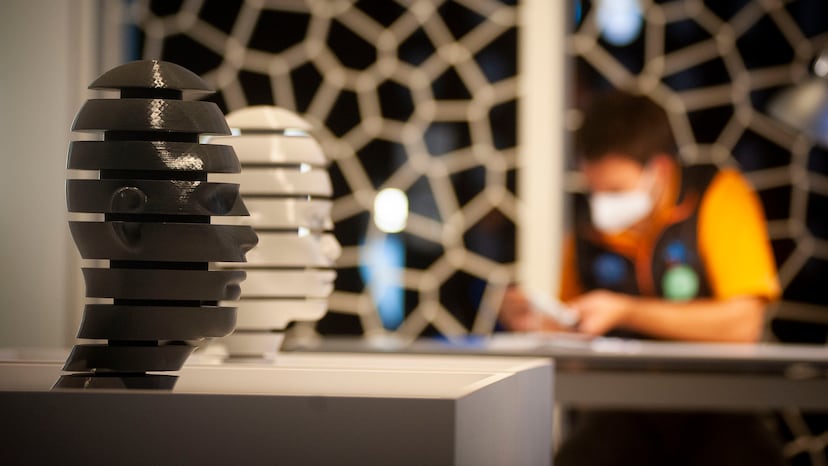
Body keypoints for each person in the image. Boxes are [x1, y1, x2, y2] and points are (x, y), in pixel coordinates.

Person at [500, 91, 786, 466]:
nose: (601, 203)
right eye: (593, 190)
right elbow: (574, 350)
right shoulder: (587, 231)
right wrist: (540, 324)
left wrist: (626, 311)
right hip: (620, 411)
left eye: (615, 190)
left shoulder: (717, 194)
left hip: (719, 408)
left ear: (659, 170)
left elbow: (743, 326)